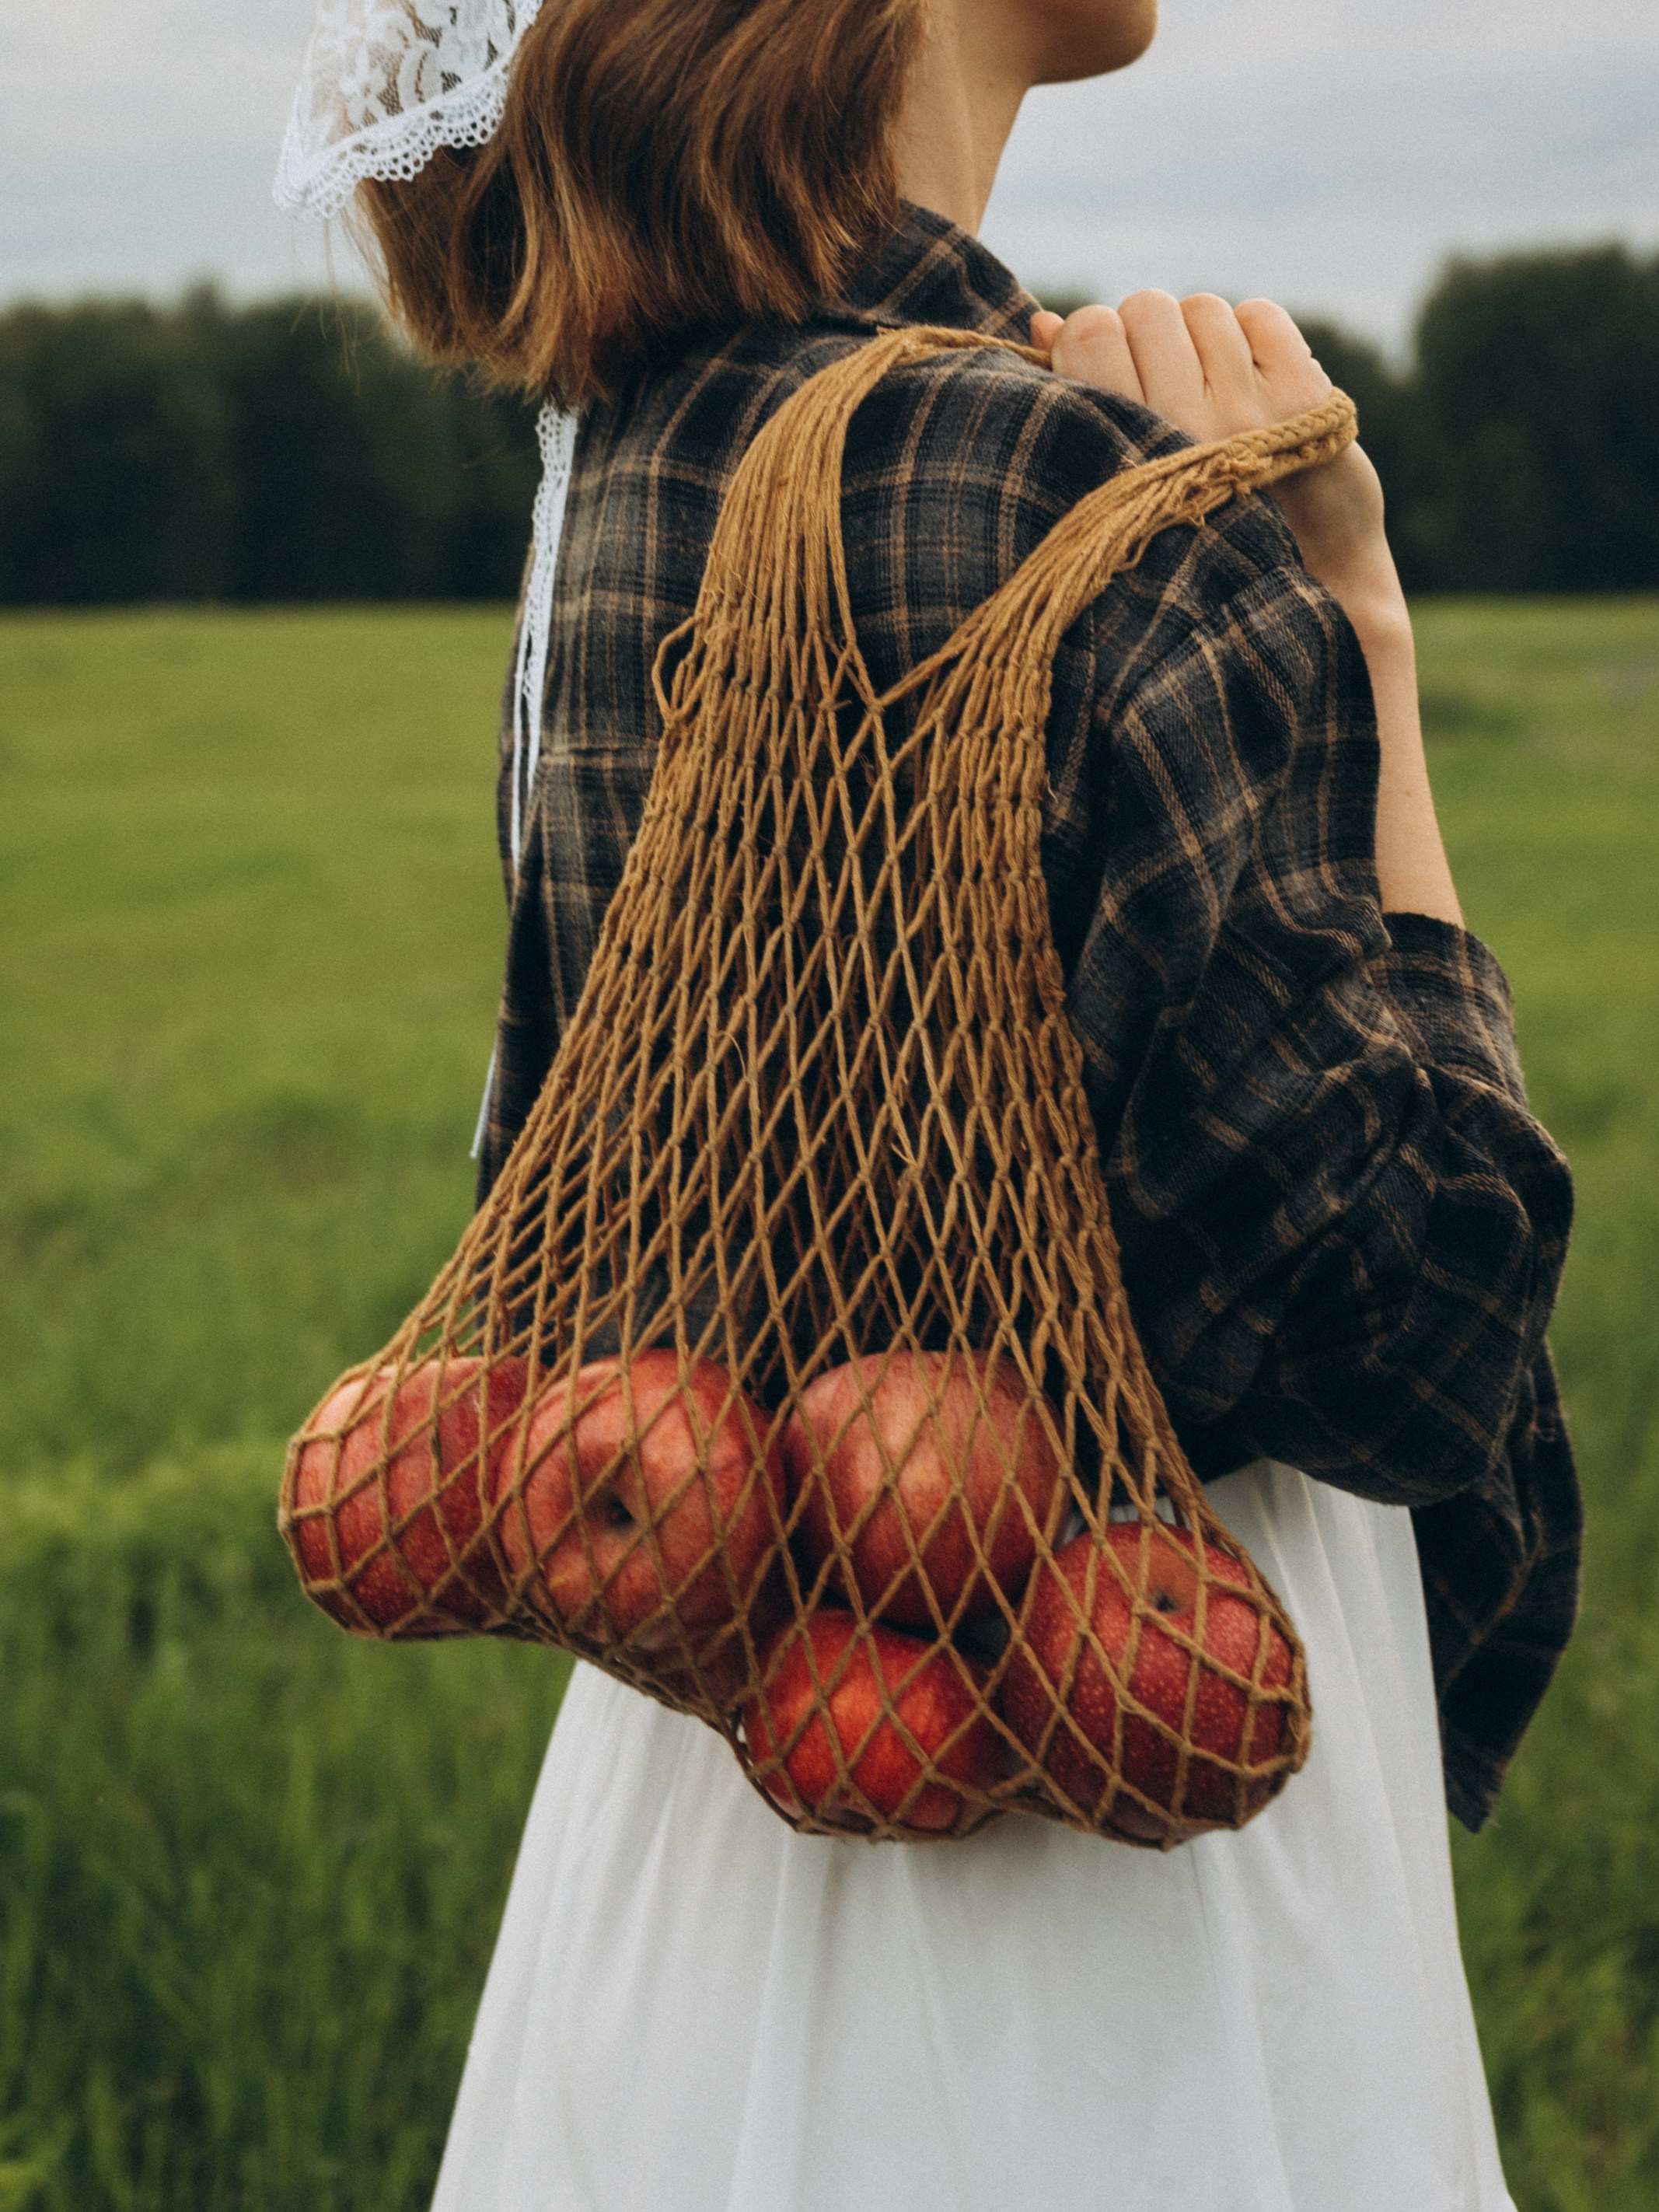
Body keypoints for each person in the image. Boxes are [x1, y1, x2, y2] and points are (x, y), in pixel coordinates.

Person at [276, 0, 1580, 2203]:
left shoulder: (626, 450)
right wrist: (1357, 620)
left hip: (710, 1839)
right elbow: (1409, 1330)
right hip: (1112, 1868)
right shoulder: (1052, 479)